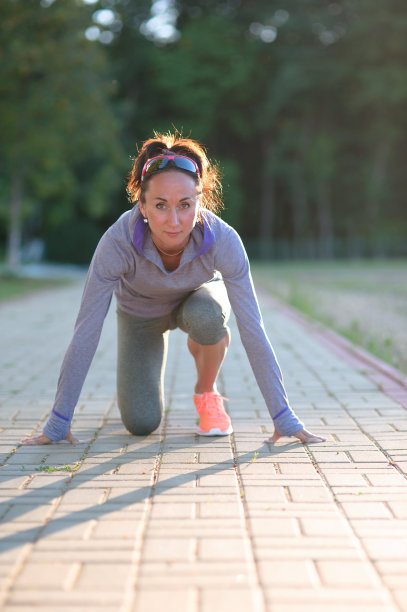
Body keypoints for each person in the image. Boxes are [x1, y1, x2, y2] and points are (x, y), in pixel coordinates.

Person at [21, 133, 326, 446]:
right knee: (141, 423)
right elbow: (86, 330)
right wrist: (59, 421)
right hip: (140, 315)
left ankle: (207, 393)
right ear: (142, 205)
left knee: (208, 317)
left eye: (185, 205)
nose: (174, 220)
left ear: (200, 201)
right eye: (160, 205)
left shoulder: (223, 240)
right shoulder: (117, 243)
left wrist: (283, 416)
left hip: (197, 301)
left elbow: (253, 329)